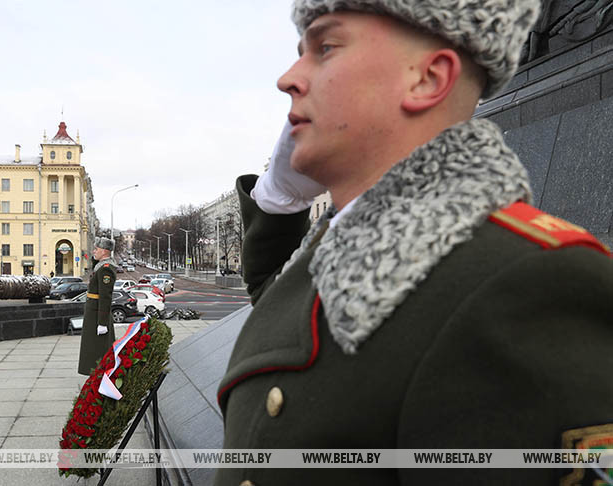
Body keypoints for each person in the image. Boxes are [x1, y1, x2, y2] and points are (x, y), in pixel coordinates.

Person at [217, 0, 613, 484]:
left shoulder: (535, 283)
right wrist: (278, 194)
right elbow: (279, 304)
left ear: (427, 79)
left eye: (325, 47)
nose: (289, 79)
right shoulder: (348, 246)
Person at [77, 237, 117, 375]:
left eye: (97, 249)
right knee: (92, 347)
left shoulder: (106, 269)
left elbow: (105, 297)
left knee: (97, 348)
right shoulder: (100, 266)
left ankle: (100, 375)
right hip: (93, 312)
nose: (94, 251)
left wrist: (102, 323)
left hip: (97, 315)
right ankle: (95, 374)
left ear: (105, 251)